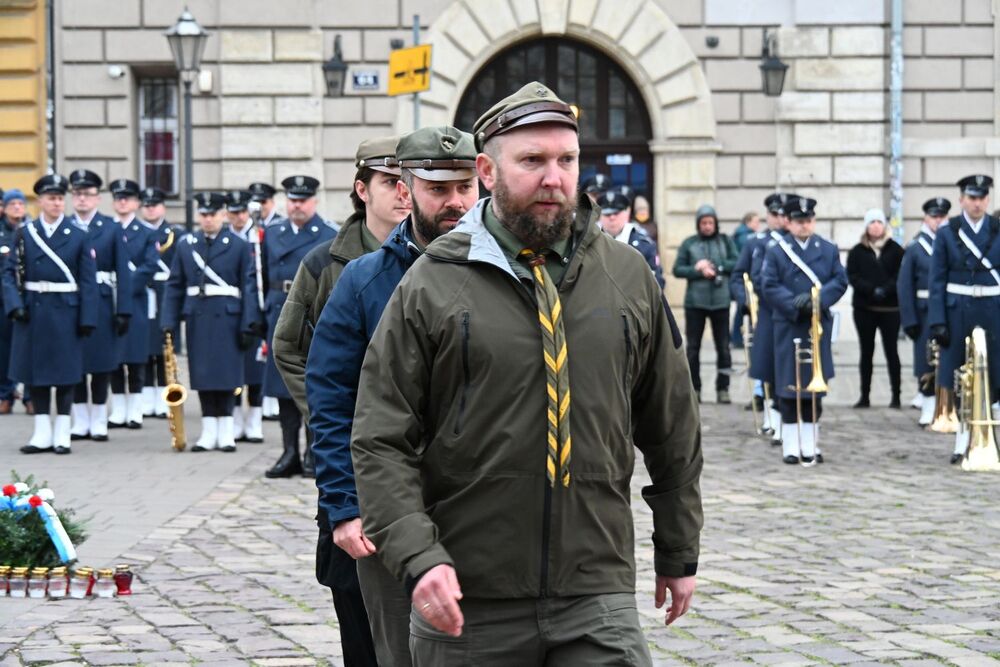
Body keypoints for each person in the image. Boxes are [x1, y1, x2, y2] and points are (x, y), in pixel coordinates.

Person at [349, 82, 703, 665]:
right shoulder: (434, 280)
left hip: (596, 587)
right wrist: (418, 555)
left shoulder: (627, 274)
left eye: (566, 160)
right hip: (469, 593)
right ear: (487, 170)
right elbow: (380, 436)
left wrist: (678, 548)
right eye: (533, 160)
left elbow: (671, 422)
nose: (553, 177)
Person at [306, 126, 478, 667]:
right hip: (389, 504)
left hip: (481, 507)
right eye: (437, 188)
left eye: (465, 186)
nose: (454, 202)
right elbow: (331, 400)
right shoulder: (361, 280)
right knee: (393, 652)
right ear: (406, 189)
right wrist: (344, 506)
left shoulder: (510, 271)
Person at [274, 135, 407, 419]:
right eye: (389, 182)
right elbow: (288, 346)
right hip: (344, 435)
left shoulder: (434, 258)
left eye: (409, 182)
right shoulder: (324, 263)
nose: (402, 192)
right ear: (362, 190)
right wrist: (325, 415)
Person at [4, 174, 98, 455]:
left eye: (60, 198)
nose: (56, 203)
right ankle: (42, 432)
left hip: (67, 310)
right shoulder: (25, 233)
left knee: (67, 375)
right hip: (34, 310)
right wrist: (14, 304)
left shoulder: (78, 235)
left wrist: (88, 318)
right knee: (36, 374)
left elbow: (88, 280)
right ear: (41, 201)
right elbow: (8, 273)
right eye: (51, 198)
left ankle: (62, 432)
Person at [160, 192, 259, 452]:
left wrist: (249, 323)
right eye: (203, 215)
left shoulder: (238, 245)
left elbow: (248, 287)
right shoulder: (186, 244)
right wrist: (168, 320)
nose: (208, 219)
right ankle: (208, 431)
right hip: (198, 317)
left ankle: (226, 431)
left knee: (227, 376)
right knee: (203, 375)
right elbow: (174, 285)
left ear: (223, 215)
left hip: (228, 317)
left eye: (212, 214)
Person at [762, 197, 848, 464]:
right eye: (799, 221)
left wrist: (817, 299)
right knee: (788, 388)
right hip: (788, 324)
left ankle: (810, 444)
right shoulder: (777, 250)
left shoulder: (828, 248)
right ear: (788, 222)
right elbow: (768, 284)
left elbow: (840, 280)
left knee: (814, 391)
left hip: (816, 326)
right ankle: (790, 444)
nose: (804, 226)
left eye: (808, 220)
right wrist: (792, 303)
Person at [260, 175, 337, 477]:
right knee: (282, 386)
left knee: (311, 384)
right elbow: (262, 277)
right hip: (278, 310)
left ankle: (312, 454)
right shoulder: (273, 232)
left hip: (312, 313)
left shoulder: (328, 233)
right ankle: (289, 450)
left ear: (315, 201)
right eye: (292, 200)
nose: (297, 206)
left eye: (303, 200)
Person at [927, 174, 1000, 464]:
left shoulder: (997, 229)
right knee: (960, 379)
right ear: (961, 200)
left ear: (988, 200)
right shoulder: (948, 233)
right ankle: (962, 442)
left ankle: (988, 438)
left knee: (994, 376)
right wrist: (937, 321)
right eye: (971, 198)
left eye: (982, 198)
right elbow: (936, 280)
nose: (977, 203)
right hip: (957, 311)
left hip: (993, 310)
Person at [66, 170, 131, 441]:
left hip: (104, 302)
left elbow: (123, 271)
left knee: (102, 363)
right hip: (73, 301)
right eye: (77, 194)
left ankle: (100, 418)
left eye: (88, 194)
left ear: (97, 198)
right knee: (78, 363)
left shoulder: (111, 228)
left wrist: (123, 309)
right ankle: (80, 419)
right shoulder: (66, 226)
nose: (82, 199)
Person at [672, 204, 739, 403]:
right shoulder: (689, 243)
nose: (707, 226)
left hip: (720, 302)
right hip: (695, 302)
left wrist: (717, 268)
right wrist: (697, 269)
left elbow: (736, 262)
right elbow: (677, 269)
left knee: (723, 347)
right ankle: (695, 388)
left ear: (715, 223)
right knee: (693, 347)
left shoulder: (725, 242)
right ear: (698, 224)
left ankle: (723, 388)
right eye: (704, 223)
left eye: (710, 222)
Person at [108, 178, 160, 430]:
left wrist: (126, 285)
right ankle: (118, 406)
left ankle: (136, 407)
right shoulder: (106, 229)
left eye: (127, 198)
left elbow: (150, 266)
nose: (123, 202)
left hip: (136, 299)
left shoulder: (147, 233)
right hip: (110, 299)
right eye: (118, 198)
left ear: (136, 203)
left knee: (136, 354)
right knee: (114, 355)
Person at [898, 197, 950, 426]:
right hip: (924, 312)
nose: (938, 221)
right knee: (925, 360)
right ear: (925, 218)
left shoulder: (952, 244)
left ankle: (949, 404)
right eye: (934, 216)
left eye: (942, 216)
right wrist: (909, 319)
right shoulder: (916, 247)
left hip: (948, 310)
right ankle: (928, 405)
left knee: (949, 357)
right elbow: (905, 285)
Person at [749, 194, 796, 444]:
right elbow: (755, 278)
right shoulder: (761, 243)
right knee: (770, 369)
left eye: (784, 215)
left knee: (791, 369)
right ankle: (775, 421)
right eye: (776, 214)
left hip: (794, 316)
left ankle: (796, 423)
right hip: (770, 312)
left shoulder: (797, 243)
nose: (780, 219)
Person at [846, 208, 904, 409]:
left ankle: (896, 396)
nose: (876, 226)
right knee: (866, 352)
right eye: (872, 222)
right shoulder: (857, 251)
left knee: (892, 351)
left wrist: (886, 290)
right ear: (867, 226)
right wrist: (871, 290)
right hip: (865, 308)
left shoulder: (896, 249)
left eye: (879, 222)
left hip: (890, 309)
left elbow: (900, 275)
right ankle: (865, 396)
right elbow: (852, 276)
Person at [225, 189, 266, 443]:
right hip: (231, 311)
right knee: (232, 369)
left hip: (255, 310)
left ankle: (255, 421)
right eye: (234, 212)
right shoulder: (225, 238)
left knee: (256, 369)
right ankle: (237, 419)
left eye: (242, 212)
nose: (238, 217)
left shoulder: (259, 236)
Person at [137, 186, 181, 419]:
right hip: (143, 291)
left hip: (165, 292)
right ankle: (146, 395)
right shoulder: (135, 232)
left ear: (163, 207)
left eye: (154, 205)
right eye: (146, 205)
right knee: (145, 346)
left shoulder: (175, 234)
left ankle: (165, 395)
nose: (150, 209)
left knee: (166, 346)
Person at [0, 189, 32, 415]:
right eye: (13, 204)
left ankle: (30, 396)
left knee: (29, 348)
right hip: (3, 301)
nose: (17, 208)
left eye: (21, 203)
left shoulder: (31, 230)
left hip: (29, 299)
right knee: (4, 350)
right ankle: (5, 394)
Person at [597, 187, 665, 288]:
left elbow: (657, 283)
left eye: (616, 213)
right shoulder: (590, 242)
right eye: (607, 214)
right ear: (600, 216)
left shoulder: (644, 245)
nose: (612, 218)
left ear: (627, 213)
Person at [730, 212, 761, 348]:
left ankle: (737, 337)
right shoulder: (746, 238)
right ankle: (737, 338)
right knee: (744, 307)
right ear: (749, 222)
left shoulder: (740, 234)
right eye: (756, 221)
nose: (758, 225)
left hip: (742, 277)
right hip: (745, 278)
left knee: (742, 308)